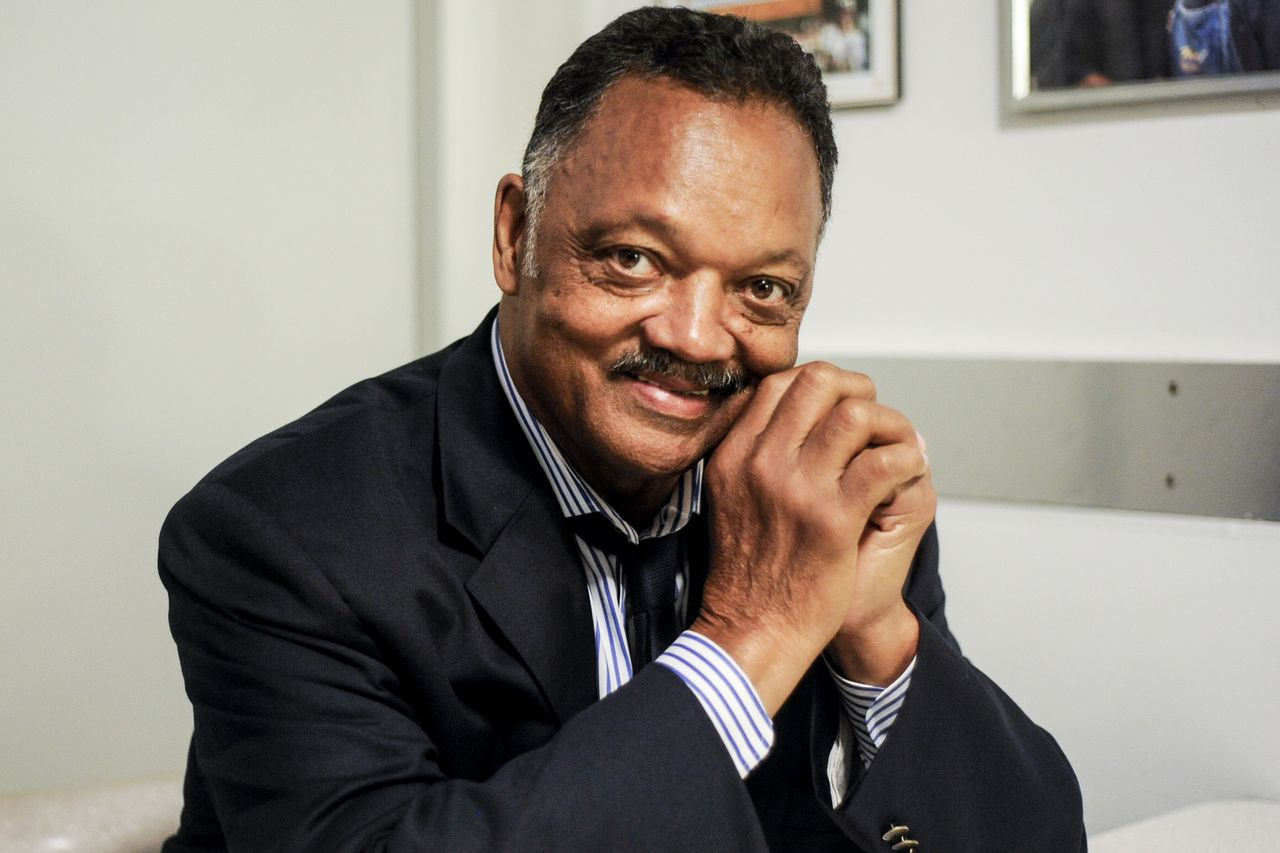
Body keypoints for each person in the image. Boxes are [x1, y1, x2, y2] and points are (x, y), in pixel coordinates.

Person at [159, 8, 1085, 851]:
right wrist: (748, 642)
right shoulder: (282, 531)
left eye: (762, 288)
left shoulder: (814, 486)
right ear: (514, 235)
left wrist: (875, 628)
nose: (693, 336)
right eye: (633, 261)